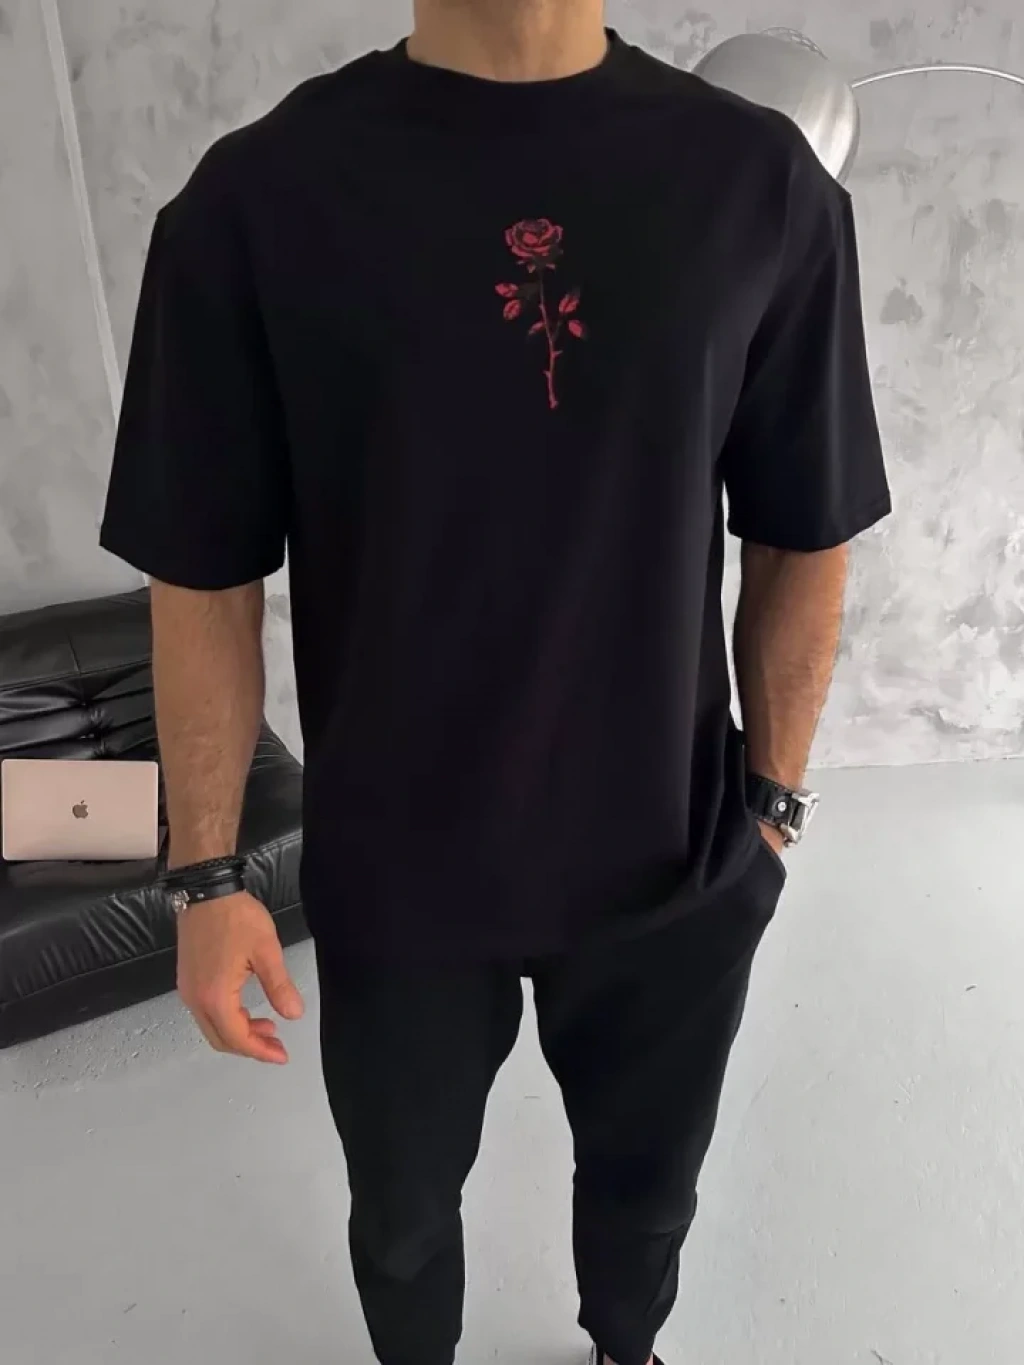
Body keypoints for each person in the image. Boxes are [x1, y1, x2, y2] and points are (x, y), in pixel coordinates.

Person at [100, 2, 891, 1362]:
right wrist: (207, 874)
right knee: (402, 1219)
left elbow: (802, 525)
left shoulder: (756, 185)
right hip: (398, 869)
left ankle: (626, 1347)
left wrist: (770, 809)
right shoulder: (259, 202)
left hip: (669, 855)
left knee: (649, 1199)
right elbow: (203, 571)